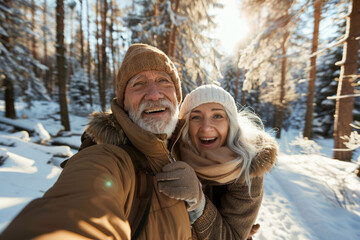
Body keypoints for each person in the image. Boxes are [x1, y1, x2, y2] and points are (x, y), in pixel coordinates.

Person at [0, 43, 192, 239]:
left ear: (177, 96)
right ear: (123, 102)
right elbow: (78, 205)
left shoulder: (189, 148)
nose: (153, 94)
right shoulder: (108, 156)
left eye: (163, 81)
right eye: (138, 83)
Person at [155, 84, 278, 239]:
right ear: (184, 124)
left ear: (230, 122)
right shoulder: (168, 153)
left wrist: (199, 203)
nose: (206, 128)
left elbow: (232, 236)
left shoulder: (248, 166)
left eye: (217, 116)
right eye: (196, 117)